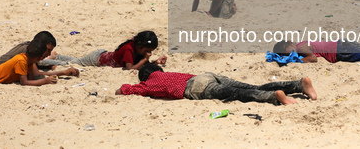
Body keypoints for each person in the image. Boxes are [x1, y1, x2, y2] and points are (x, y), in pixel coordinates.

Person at [115, 64, 317, 105]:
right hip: (206, 75)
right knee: (250, 86)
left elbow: (126, 89)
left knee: (238, 94)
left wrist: (123, 89)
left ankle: (276, 97)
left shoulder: (147, 84)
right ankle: (299, 85)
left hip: (196, 88)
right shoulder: (168, 73)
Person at [40, 31, 167, 70]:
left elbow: (138, 63)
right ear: (140, 46)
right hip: (97, 59)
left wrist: (155, 62)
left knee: (76, 61)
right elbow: (130, 69)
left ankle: (56, 55)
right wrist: (145, 59)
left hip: (102, 55)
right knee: (73, 64)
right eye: (147, 51)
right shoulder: (129, 49)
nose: (148, 54)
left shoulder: (135, 48)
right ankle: (44, 61)